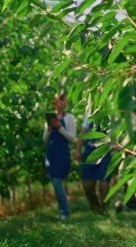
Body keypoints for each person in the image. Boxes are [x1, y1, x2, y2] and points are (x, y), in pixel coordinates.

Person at [43, 92, 76, 220]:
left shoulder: (69, 118)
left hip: (62, 152)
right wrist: (49, 129)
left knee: (57, 182)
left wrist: (60, 128)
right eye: (60, 101)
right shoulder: (50, 117)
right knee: (55, 182)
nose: (63, 103)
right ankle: (62, 211)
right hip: (51, 153)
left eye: (65, 101)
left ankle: (65, 212)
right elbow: (44, 139)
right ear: (54, 102)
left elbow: (72, 138)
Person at [74, 115, 112, 213]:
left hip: (105, 152)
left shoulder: (110, 115)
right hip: (90, 152)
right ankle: (95, 207)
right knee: (87, 184)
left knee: (104, 184)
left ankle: (104, 209)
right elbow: (83, 132)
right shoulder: (89, 114)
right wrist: (77, 149)